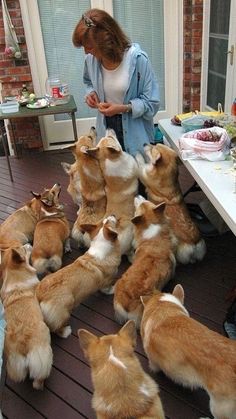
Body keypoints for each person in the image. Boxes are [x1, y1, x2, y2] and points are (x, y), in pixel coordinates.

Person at [72, 8, 160, 156]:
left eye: (89, 46)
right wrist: (91, 93)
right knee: (111, 177)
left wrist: (123, 108)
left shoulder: (138, 60)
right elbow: (88, 82)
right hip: (105, 130)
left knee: (137, 176)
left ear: (106, 41)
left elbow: (152, 104)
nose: (86, 52)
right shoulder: (91, 60)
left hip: (135, 133)